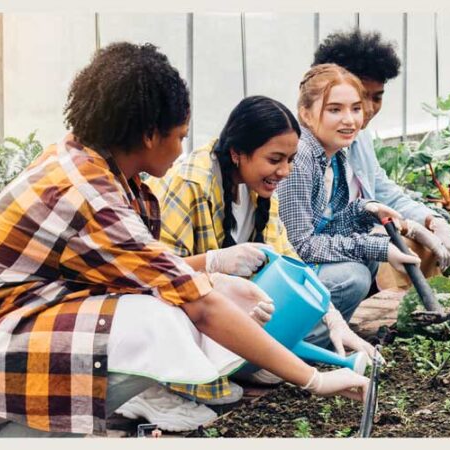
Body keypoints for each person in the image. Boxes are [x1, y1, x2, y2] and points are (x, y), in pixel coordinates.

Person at [0, 42, 366, 438]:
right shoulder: (92, 194)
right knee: (161, 320)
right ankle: (23, 428)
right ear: (149, 134)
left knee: (168, 308)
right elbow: (195, 303)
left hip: (4, 328)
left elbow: (144, 269)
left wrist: (210, 269)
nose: (182, 147)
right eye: (178, 136)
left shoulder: (91, 161)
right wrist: (313, 379)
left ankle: (25, 433)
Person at [119, 96, 377, 430]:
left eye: (290, 160)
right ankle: (149, 387)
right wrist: (214, 262)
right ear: (237, 153)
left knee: (318, 295)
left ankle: (246, 360)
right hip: (170, 309)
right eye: (275, 159)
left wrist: (333, 319)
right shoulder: (192, 183)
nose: (284, 171)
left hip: (213, 306)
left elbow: (287, 259)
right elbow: (151, 275)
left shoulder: (259, 190)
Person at [312, 28, 450, 289]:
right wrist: (374, 236)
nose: (370, 108)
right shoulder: (307, 149)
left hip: (366, 241)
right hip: (332, 257)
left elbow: (384, 191)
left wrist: (431, 220)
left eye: (377, 97)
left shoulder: (359, 138)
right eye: (362, 95)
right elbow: (311, 233)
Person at [278, 63, 422, 320]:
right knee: (352, 278)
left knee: (367, 261)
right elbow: (300, 245)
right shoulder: (300, 157)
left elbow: (329, 230)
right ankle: (294, 345)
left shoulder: (334, 155)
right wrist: (378, 247)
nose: (350, 119)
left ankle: (329, 334)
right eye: (334, 110)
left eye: (355, 108)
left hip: (300, 261)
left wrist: (365, 210)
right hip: (278, 272)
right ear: (306, 114)